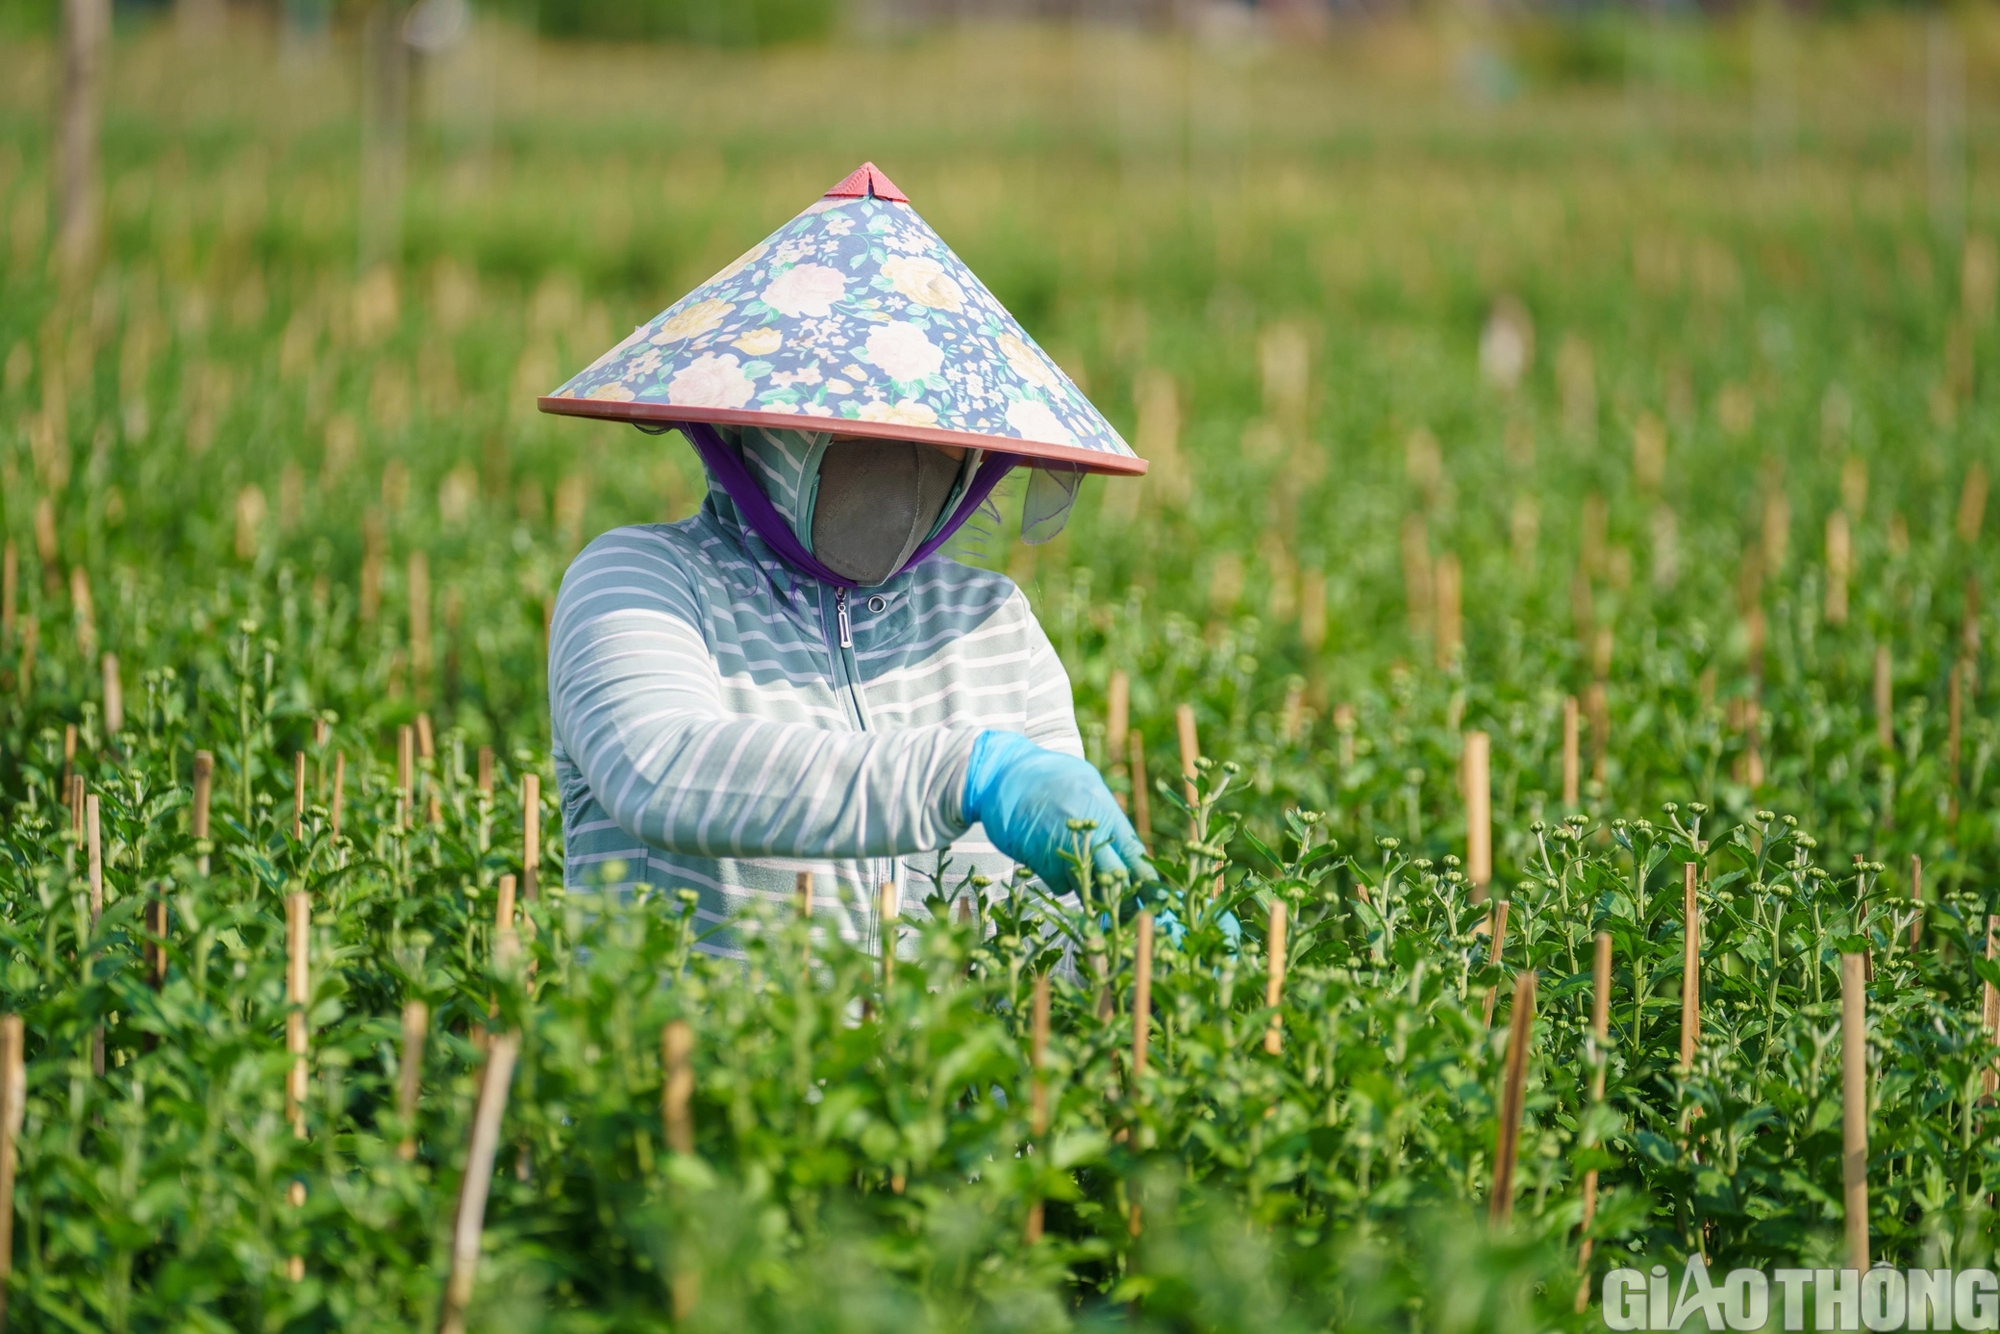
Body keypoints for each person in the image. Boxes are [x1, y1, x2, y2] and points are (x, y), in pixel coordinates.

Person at [540, 164, 1153, 952]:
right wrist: (966, 773)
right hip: (694, 1072)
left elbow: (1041, 919)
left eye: (933, 443)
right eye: (855, 434)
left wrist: (1142, 950)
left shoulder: (989, 625)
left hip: (935, 1076)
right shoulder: (639, 581)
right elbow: (666, 770)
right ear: (753, 433)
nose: (900, 472)